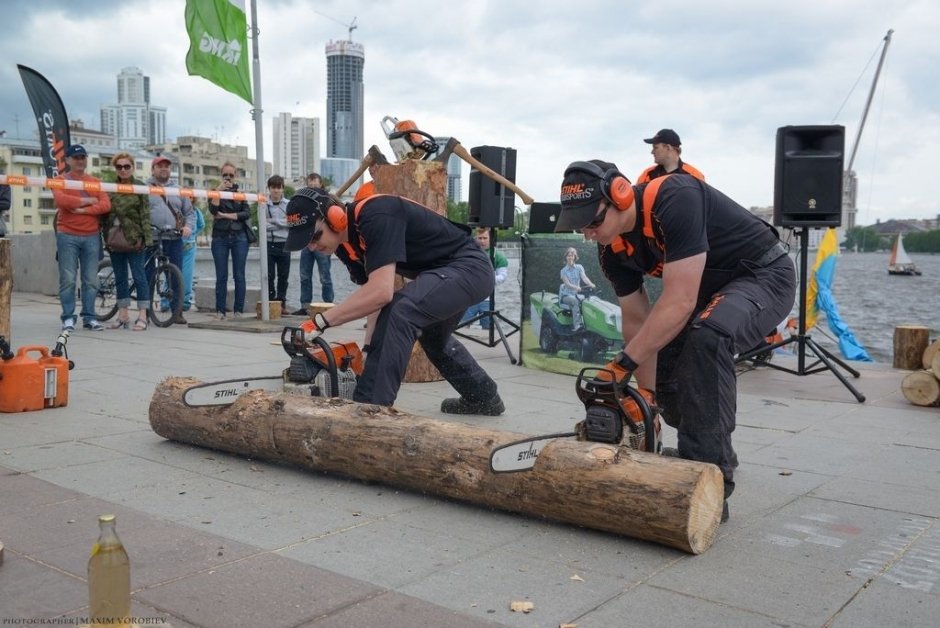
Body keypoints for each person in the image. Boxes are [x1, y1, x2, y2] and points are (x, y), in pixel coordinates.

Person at [556, 159, 795, 522]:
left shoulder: (674, 198)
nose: (587, 233)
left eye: (592, 221)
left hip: (763, 275)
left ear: (619, 194)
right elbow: (638, 322)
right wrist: (645, 397)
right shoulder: (612, 251)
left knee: (708, 337)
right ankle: (710, 447)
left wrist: (620, 367)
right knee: (666, 356)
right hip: (707, 291)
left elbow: (680, 300)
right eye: (580, 227)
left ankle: (709, 480)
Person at [284, 187, 504, 414]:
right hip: (445, 274)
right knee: (433, 338)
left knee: (402, 309)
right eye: (306, 242)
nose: (312, 247)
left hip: (470, 268)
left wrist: (320, 322)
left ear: (335, 217)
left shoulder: (376, 214)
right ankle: (484, 397)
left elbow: (382, 292)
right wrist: (368, 351)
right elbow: (373, 298)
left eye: (315, 236)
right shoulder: (346, 246)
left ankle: (370, 411)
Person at [51, 144, 111, 331]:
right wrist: (87, 200)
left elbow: (105, 205)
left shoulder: (95, 181)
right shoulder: (59, 179)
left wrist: (81, 210)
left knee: (91, 280)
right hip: (67, 235)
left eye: (83, 157)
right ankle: (68, 318)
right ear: (67, 160)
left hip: (91, 236)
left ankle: (89, 317)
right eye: (76, 157)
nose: (80, 160)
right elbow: (62, 201)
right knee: (68, 278)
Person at [105, 153, 152, 331]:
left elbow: (145, 214)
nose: (123, 170)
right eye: (119, 167)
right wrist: (105, 238)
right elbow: (105, 216)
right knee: (120, 277)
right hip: (115, 239)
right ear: (115, 168)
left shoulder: (140, 187)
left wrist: (147, 239)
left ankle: (142, 315)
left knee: (140, 276)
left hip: (135, 238)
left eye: (126, 166)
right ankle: (122, 314)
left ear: (132, 167)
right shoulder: (110, 187)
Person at [147, 155, 193, 324]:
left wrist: (188, 227)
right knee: (147, 274)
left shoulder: (179, 189)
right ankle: (144, 311)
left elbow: (190, 213)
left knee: (176, 275)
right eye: (160, 166)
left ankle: (177, 311)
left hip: (174, 237)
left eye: (167, 166)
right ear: (153, 169)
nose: (164, 168)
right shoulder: (144, 188)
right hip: (151, 237)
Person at [208, 161, 251, 319]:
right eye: (225, 175)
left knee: (239, 275)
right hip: (220, 237)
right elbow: (213, 210)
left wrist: (225, 215)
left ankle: (238, 311)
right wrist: (218, 192)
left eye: (231, 175)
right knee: (221, 276)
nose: (228, 178)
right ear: (221, 175)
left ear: (235, 175)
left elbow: (246, 213)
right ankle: (220, 311)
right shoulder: (215, 191)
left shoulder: (240, 193)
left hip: (239, 237)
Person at [292, 172, 334, 315]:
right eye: (310, 186)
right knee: (304, 275)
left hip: (321, 242)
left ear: (321, 185)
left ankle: (328, 305)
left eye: (315, 185)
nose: (313, 188)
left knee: (325, 276)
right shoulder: (302, 201)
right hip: (306, 243)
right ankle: (305, 306)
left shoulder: (328, 200)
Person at [459, 227, 508, 329]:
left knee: (488, 329)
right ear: (475, 238)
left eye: (485, 238)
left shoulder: (498, 256)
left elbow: (503, 276)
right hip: (469, 298)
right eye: (479, 238)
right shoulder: (468, 253)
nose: (482, 241)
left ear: (491, 239)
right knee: (461, 327)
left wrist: (485, 279)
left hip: (487, 299)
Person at [636, 129, 705, 184]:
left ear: (668, 147)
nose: (652, 152)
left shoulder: (694, 175)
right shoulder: (647, 175)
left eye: (655, 147)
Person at [264, 174, 290, 311]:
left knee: (283, 276)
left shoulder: (289, 204)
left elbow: (291, 222)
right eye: (273, 187)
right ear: (269, 188)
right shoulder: (263, 204)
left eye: (278, 187)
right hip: (268, 243)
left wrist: (273, 221)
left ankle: (282, 303)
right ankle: (270, 303)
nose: (276, 191)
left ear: (282, 189)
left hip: (285, 243)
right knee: (269, 276)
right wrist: (282, 223)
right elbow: (263, 225)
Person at [558, 246, 596, 331]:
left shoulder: (579, 267)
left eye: (572, 255)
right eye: (568, 255)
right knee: (574, 301)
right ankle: (577, 326)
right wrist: (576, 287)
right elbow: (567, 284)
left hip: (576, 294)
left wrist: (591, 284)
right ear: (566, 257)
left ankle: (591, 324)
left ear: (575, 257)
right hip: (566, 296)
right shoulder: (563, 271)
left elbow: (584, 278)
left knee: (590, 300)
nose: (570, 257)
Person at [181, 204, 205, 312]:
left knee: (182, 275)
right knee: (182, 274)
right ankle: (181, 302)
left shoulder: (195, 210)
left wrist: (193, 234)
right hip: (182, 243)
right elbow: (201, 225)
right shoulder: (193, 210)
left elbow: (201, 225)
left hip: (182, 244)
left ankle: (180, 302)